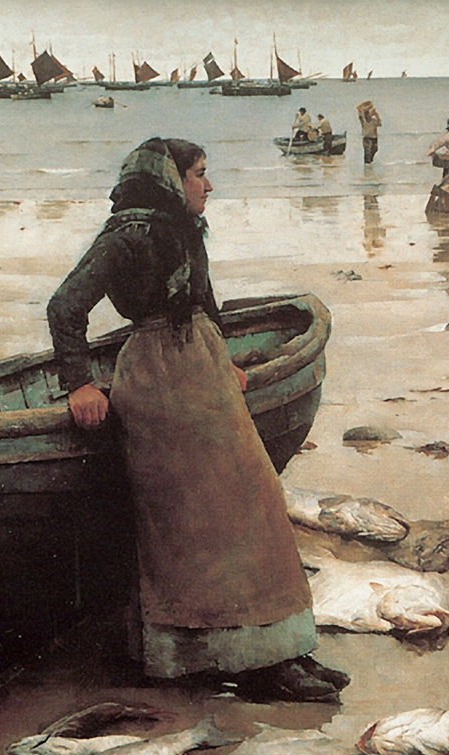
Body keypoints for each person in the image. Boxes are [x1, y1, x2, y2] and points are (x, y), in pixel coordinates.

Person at [46, 137, 348, 702]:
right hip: (161, 384)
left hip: (201, 372)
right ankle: (246, 664)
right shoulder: (129, 234)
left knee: (255, 503)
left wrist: (223, 358)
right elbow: (65, 306)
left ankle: (281, 649)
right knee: (199, 527)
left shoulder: (182, 227)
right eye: (199, 175)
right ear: (170, 178)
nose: (209, 186)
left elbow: (203, 302)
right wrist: (80, 384)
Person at [427, 116, 449, 189]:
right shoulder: (447, 136)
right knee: (448, 180)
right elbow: (437, 144)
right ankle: (440, 192)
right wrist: (431, 151)